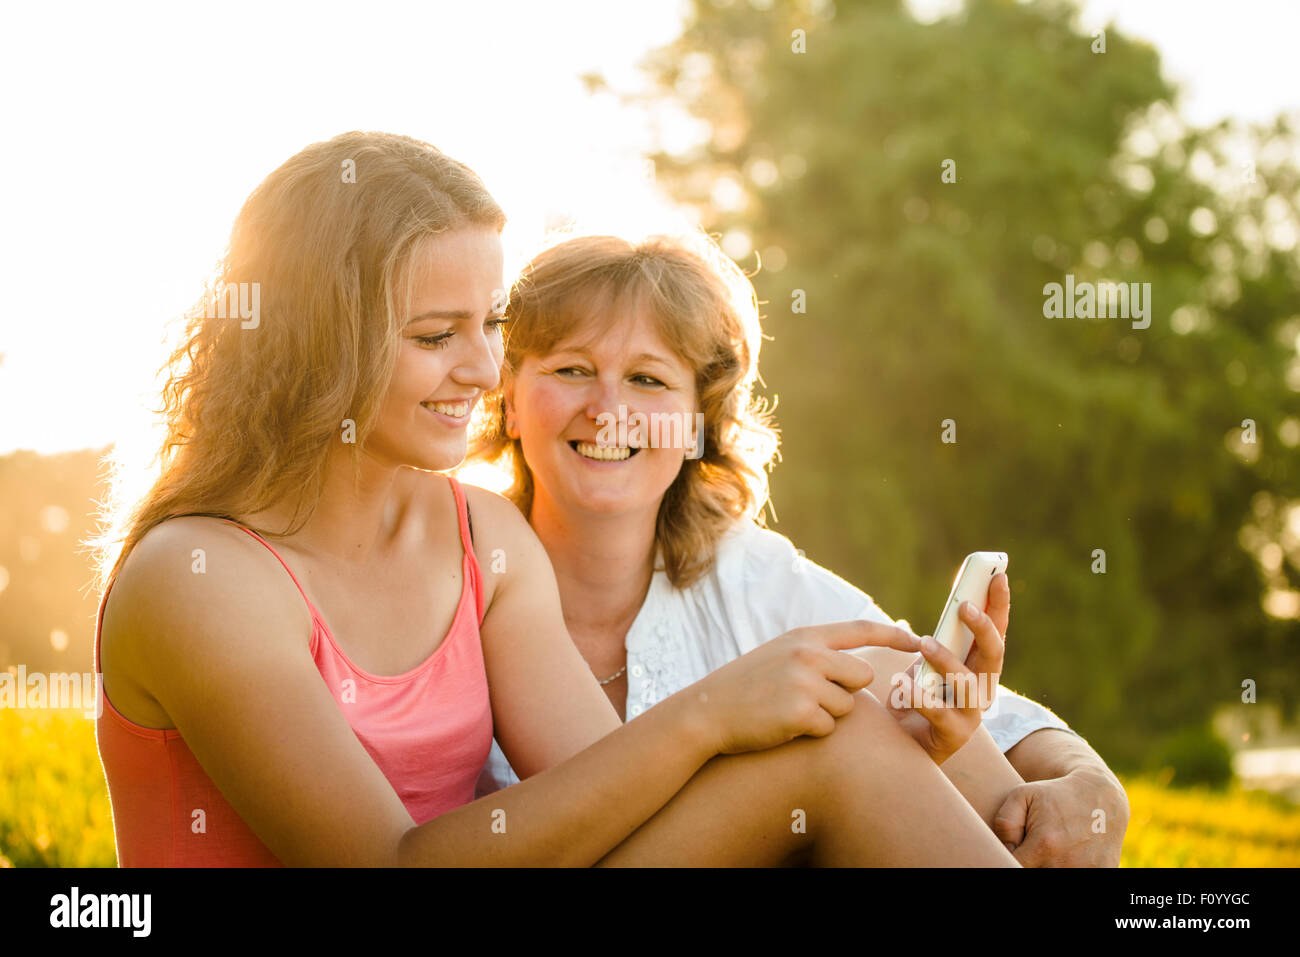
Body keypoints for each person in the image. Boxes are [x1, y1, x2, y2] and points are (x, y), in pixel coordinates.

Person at [91, 131, 1019, 867]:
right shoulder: (200, 576)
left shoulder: (479, 534)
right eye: (434, 334)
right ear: (316, 341)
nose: (485, 367)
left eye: (490, 324)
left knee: (846, 742)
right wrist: (712, 712)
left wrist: (868, 729)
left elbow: (606, 803)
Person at [469, 232, 1130, 866]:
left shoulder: (748, 572)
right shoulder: (457, 562)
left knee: (880, 681)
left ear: (698, 421)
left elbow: (962, 698)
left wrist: (1089, 779)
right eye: (572, 369)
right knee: (848, 723)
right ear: (511, 402)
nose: (609, 407)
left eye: (648, 380)